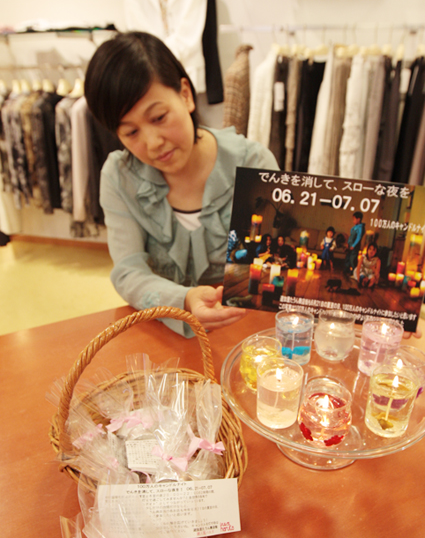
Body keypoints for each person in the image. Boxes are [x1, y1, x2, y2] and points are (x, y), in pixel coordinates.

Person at [84, 31, 279, 337]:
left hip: (242, 334)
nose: (153, 143)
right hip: (160, 332)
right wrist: (184, 300)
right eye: (131, 133)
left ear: (185, 94)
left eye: (159, 117)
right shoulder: (119, 177)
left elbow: (270, 264)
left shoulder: (253, 164)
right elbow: (128, 271)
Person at [344, 211, 365, 276]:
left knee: (352, 259)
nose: (353, 221)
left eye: (354, 219)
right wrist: (348, 243)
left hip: (354, 247)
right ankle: (346, 269)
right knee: (348, 257)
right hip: (350, 245)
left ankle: (354, 271)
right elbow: (350, 236)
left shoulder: (360, 228)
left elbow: (358, 237)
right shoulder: (354, 227)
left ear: (358, 219)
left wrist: (353, 245)